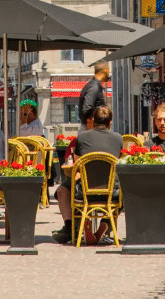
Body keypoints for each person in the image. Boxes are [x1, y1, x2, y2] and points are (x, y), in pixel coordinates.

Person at [51, 104, 122, 244]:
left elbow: (77, 165)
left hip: (84, 191)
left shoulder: (82, 137)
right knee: (124, 192)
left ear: (93, 121)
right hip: (110, 192)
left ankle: (73, 225)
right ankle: (106, 224)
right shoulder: (118, 138)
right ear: (110, 122)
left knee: (62, 190)